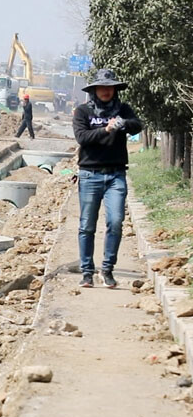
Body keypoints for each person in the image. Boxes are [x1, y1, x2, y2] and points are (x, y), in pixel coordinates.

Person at [73, 68, 142, 289]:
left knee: (115, 221)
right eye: (102, 87)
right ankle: (86, 272)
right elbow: (82, 137)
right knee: (87, 226)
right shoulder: (83, 111)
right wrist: (106, 129)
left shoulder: (123, 109)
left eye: (109, 87)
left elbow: (137, 125)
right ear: (94, 90)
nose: (106, 91)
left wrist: (124, 123)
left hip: (115, 175)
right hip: (89, 174)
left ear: (114, 90)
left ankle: (108, 269)